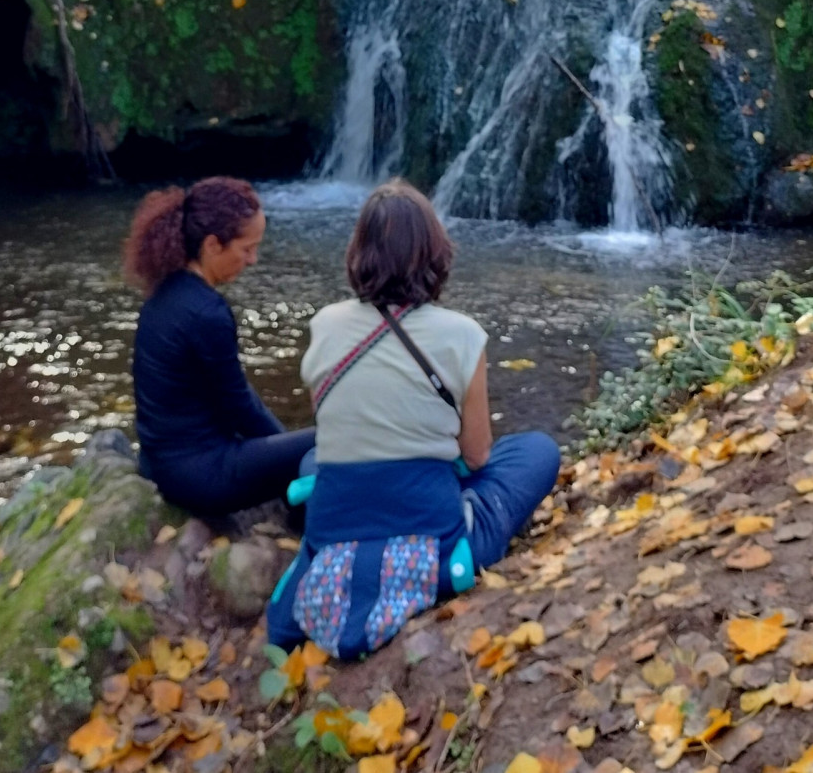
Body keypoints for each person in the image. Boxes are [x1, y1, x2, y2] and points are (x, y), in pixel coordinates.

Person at [268, 179, 560, 658]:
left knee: (315, 461)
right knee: (536, 450)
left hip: (336, 526)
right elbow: (479, 453)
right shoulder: (463, 335)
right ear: (436, 253)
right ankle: (430, 539)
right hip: (435, 541)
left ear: (357, 254)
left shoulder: (324, 325)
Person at [127, 176, 314, 519]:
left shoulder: (165, 288)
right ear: (213, 245)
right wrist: (289, 451)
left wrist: (280, 448)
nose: (253, 260)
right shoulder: (206, 312)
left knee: (291, 447)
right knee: (326, 442)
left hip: (159, 462)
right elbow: (239, 407)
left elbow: (232, 397)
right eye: (246, 249)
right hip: (199, 476)